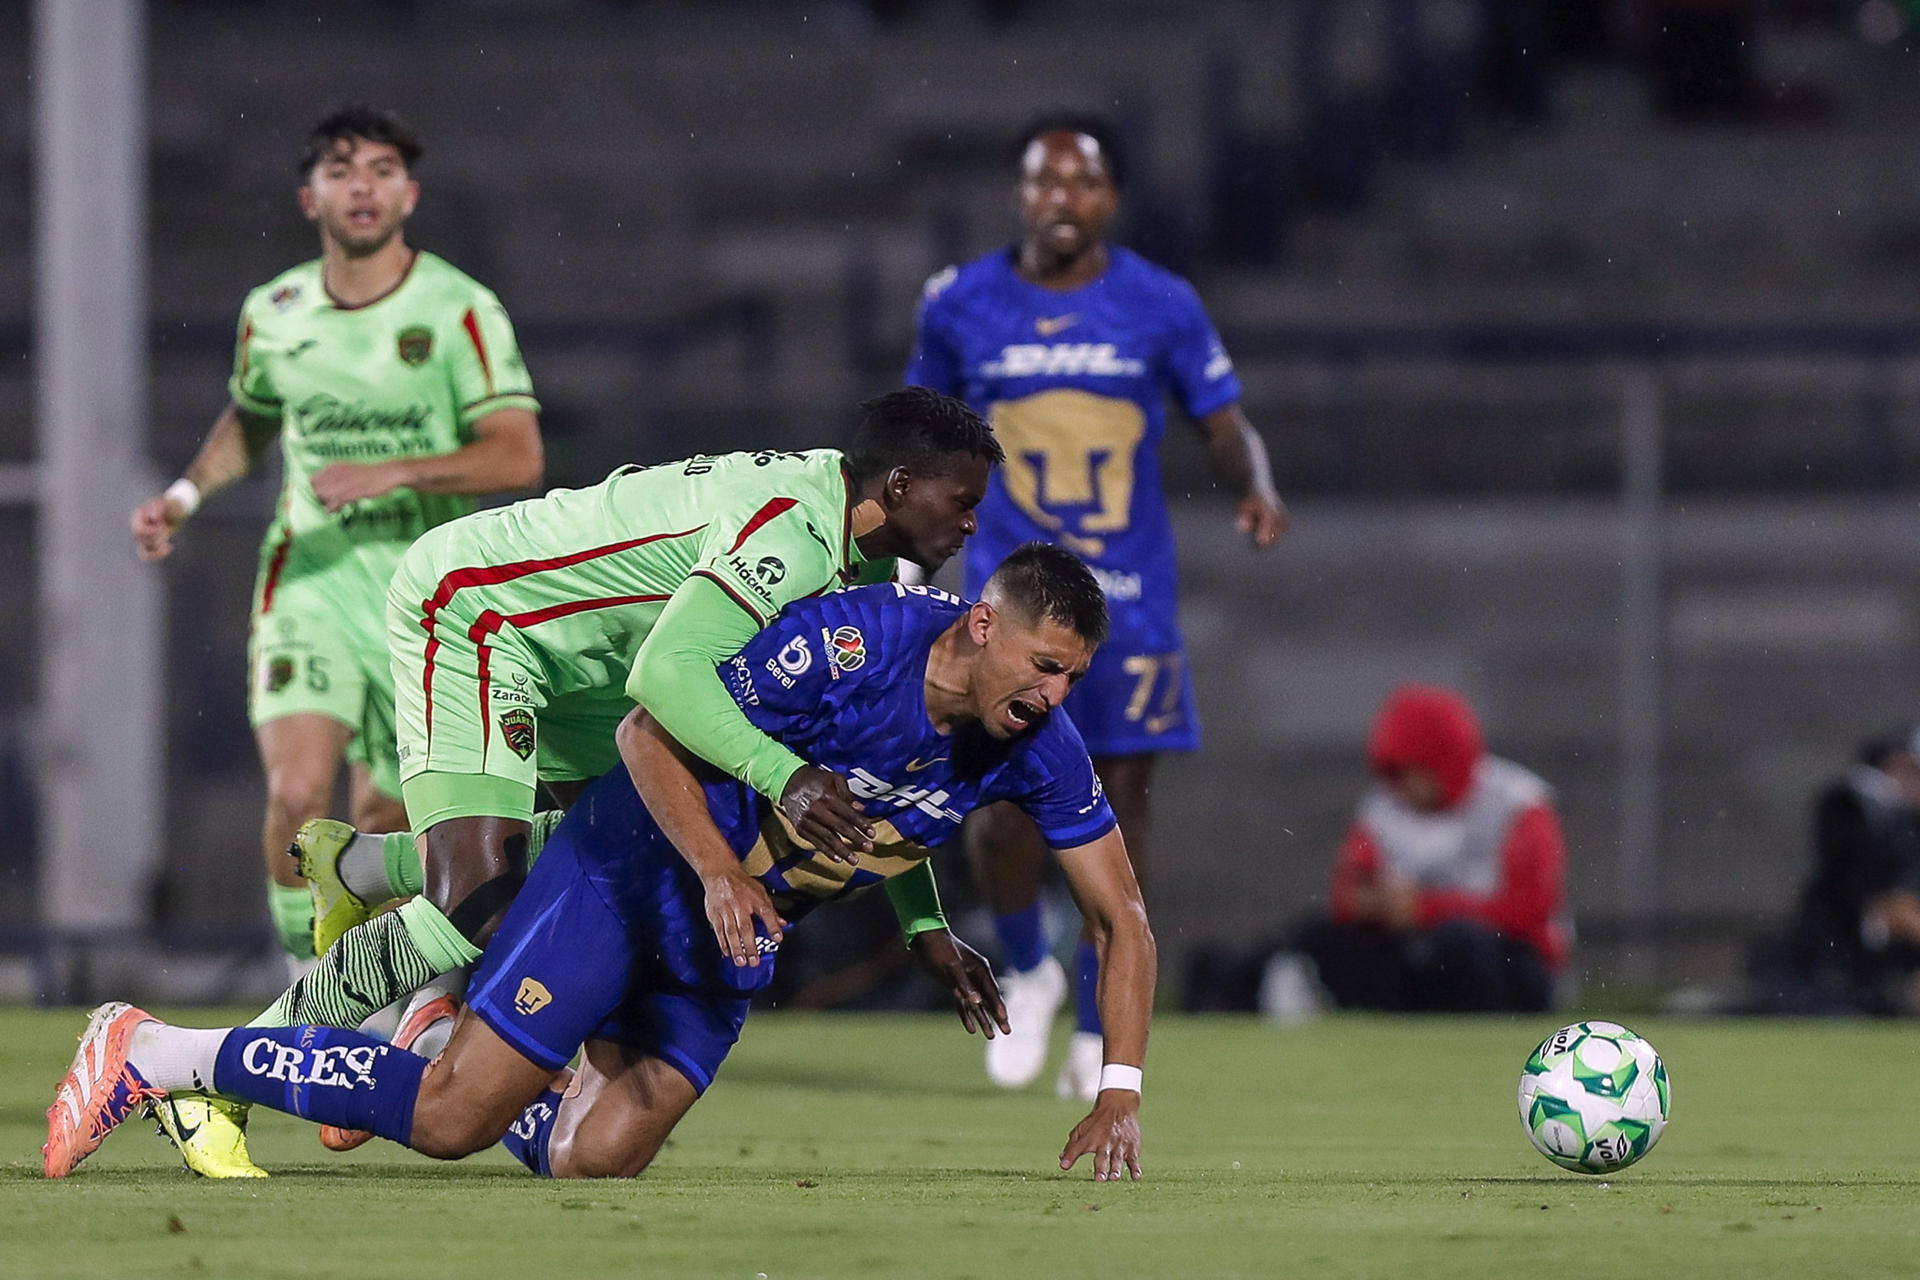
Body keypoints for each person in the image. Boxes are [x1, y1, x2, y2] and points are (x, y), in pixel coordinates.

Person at [47, 546, 1157, 1183]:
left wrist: (1117, 1089)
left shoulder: (1035, 747)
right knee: (447, 1123)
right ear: (980, 626)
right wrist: (721, 866)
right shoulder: (848, 644)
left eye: (1072, 679)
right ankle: (155, 1048)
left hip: (731, 933)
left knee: (597, 1155)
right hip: (635, 873)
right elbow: (644, 734)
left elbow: (1125, 921)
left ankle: (452, 1031)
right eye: (1046, 666)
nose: (1055, 697)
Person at [156, 388, 1002, 1176]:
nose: (973, 522)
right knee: (475, 907)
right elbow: (673, 673)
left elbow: (868, 774)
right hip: (485, 616)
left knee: (648, 841)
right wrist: (785, 776)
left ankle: (372, 874)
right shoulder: (795, 535)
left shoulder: (863, 576)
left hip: (598, 669)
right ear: (898, 486)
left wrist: (921, 917)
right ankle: (216, 1076)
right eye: (962, 500)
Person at [126, 105, 545, 1176]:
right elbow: (252, 415)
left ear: (410, 195)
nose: (363, 186)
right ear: (309, 197)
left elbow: (516, 452)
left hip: (426, 599)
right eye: (341, 170)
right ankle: (299, 1015)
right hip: (308, 587)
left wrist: (399, 472)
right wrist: (182, 490)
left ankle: (360, 995)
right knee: (292, 794)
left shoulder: (459, 309)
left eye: (385, 170)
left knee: (379, 818)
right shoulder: (272, 311)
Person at [904, 112, 1286, 1096]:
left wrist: (1255, 483)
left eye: (1081, 183)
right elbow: (919, 433)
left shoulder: (1160, 303)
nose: (1061, 200)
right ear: (1020, 194)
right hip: (1010, 597)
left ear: (1110, 197)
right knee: (996, 802)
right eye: (1043, 182)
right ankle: (1027, 963)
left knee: (1121, 805)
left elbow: (1223, 418)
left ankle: (1092, 998)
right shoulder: (959, 303)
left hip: (1128, 601)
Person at [1291, 684, 1567, 1013]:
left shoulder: (1518, 805)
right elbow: (1346, 896)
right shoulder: (1383, 808)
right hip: (1415, 955)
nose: (1401, 787)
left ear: (1442, 761)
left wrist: (1424, 909)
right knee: (1323, 941)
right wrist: (1376, 904)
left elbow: (1530, 912)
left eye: (1411, 772)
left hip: (1507, 964)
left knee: (1462, 946)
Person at [1749, 727, 1920, 1015]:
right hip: (1839, 927)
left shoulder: (1898, 814)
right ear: (1898, 764)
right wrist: (1880, 908)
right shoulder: (1847, 803)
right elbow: (1844, 869)